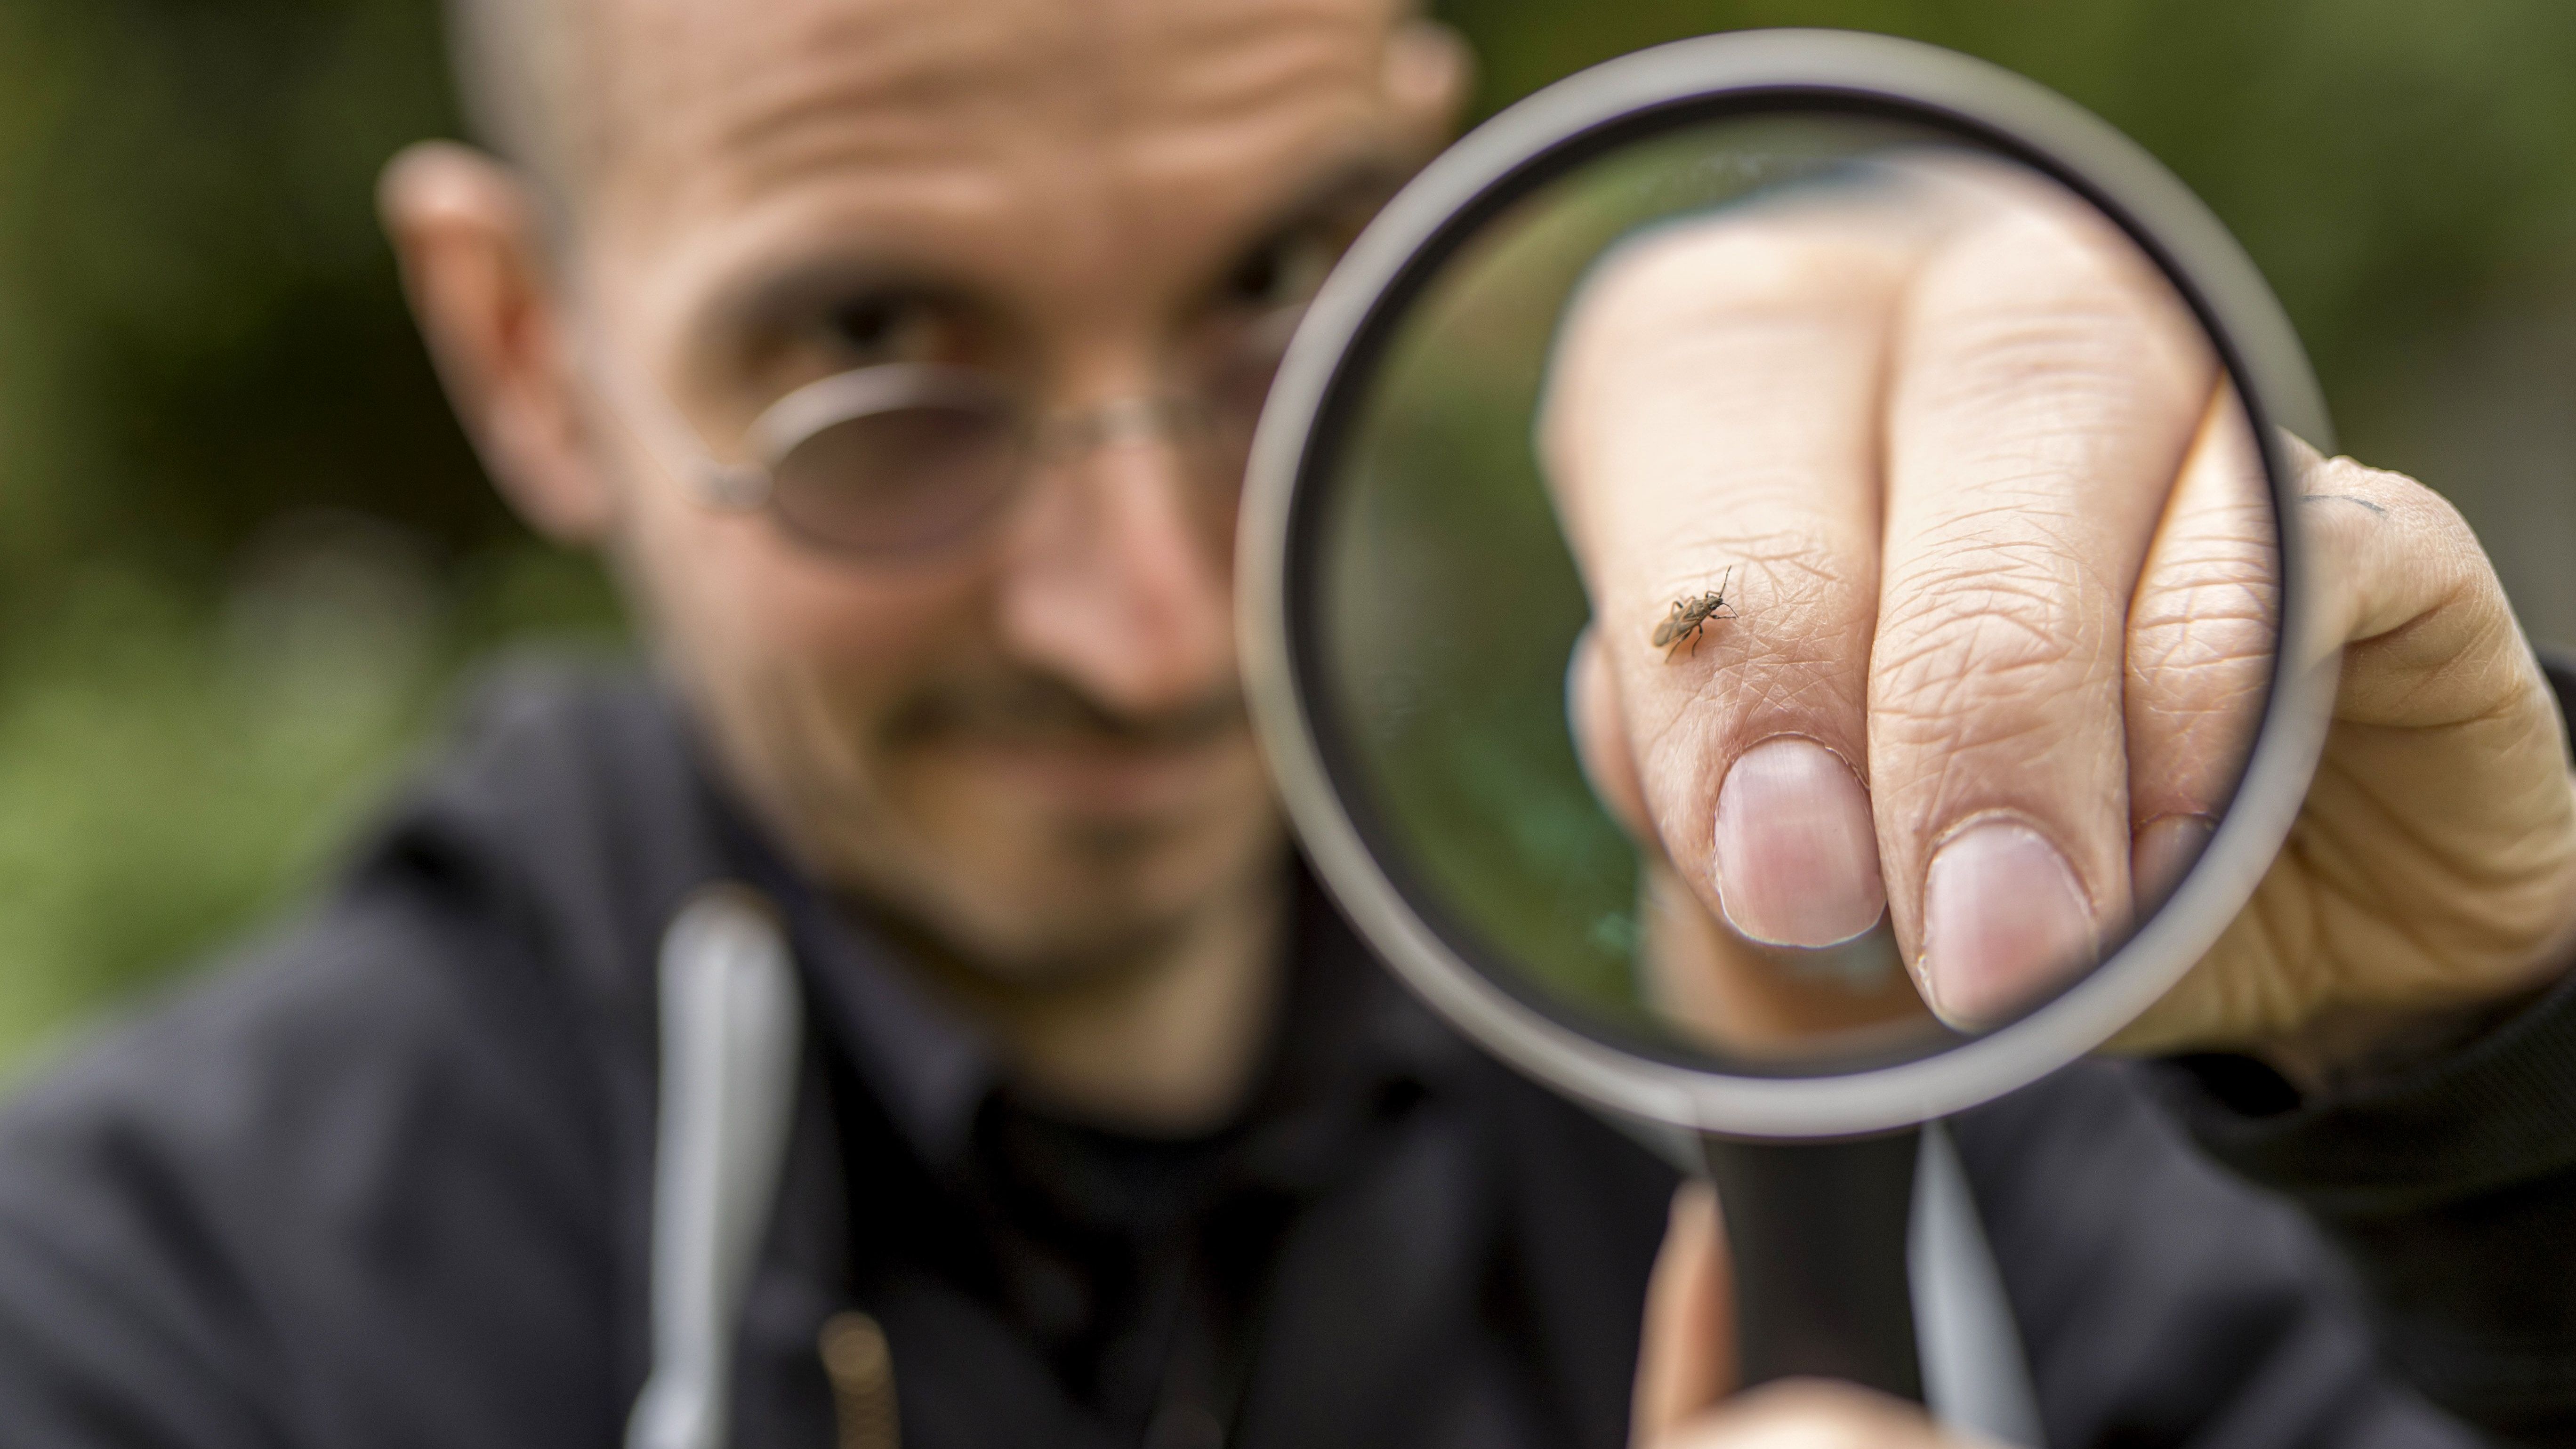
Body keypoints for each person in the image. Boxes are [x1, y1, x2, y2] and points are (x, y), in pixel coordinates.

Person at [0, 0, 2568, 1445]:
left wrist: (2484, 1082)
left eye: (1275, 298)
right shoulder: (158, 1313)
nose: (1153, 623)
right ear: (525, 347)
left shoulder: (1909, 996)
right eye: (871, 356)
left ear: (1421, 191)